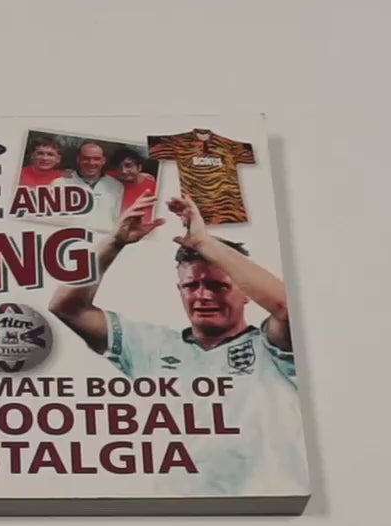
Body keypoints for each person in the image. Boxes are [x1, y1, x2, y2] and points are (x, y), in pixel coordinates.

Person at [48, 194, 306, 495]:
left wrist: (204, 243)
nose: (203, 296)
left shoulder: (272, 347)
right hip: (181, 511)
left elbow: (288, 308)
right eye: (191, 286)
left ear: (247, 292)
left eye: (218, 286)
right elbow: (67, 307)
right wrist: (114, 243)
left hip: (269, 508)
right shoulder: (151, 346)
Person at [64, 140, 124, 222]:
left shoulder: (116, 186)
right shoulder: (60, 183)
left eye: (96, 159)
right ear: (78, 159)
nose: (91, 163)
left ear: (103, 160)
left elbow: (118, 219)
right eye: (86, 158)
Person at [111, 152, 156, 216]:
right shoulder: (110, 180)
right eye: (119, 167)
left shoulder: (154, 187)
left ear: (139, 167)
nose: (124, 171)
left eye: (128, 166)